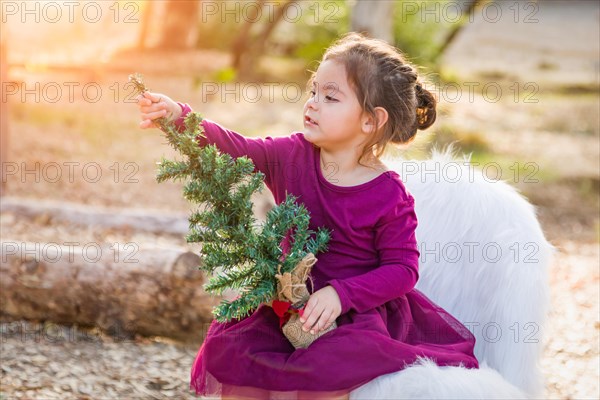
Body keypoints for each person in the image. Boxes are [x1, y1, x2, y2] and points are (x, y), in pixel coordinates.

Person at [136, 32, 479, 400]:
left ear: (370, 121)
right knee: (239, 355)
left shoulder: (388, 195)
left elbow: (403, 269)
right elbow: (238, 148)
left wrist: (341, 295)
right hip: (286, 302)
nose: (312, 104)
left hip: (352, 315)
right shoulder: (292, 155)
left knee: (325, 374)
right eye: (313, 91)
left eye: (330, 97)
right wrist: (180, 116)